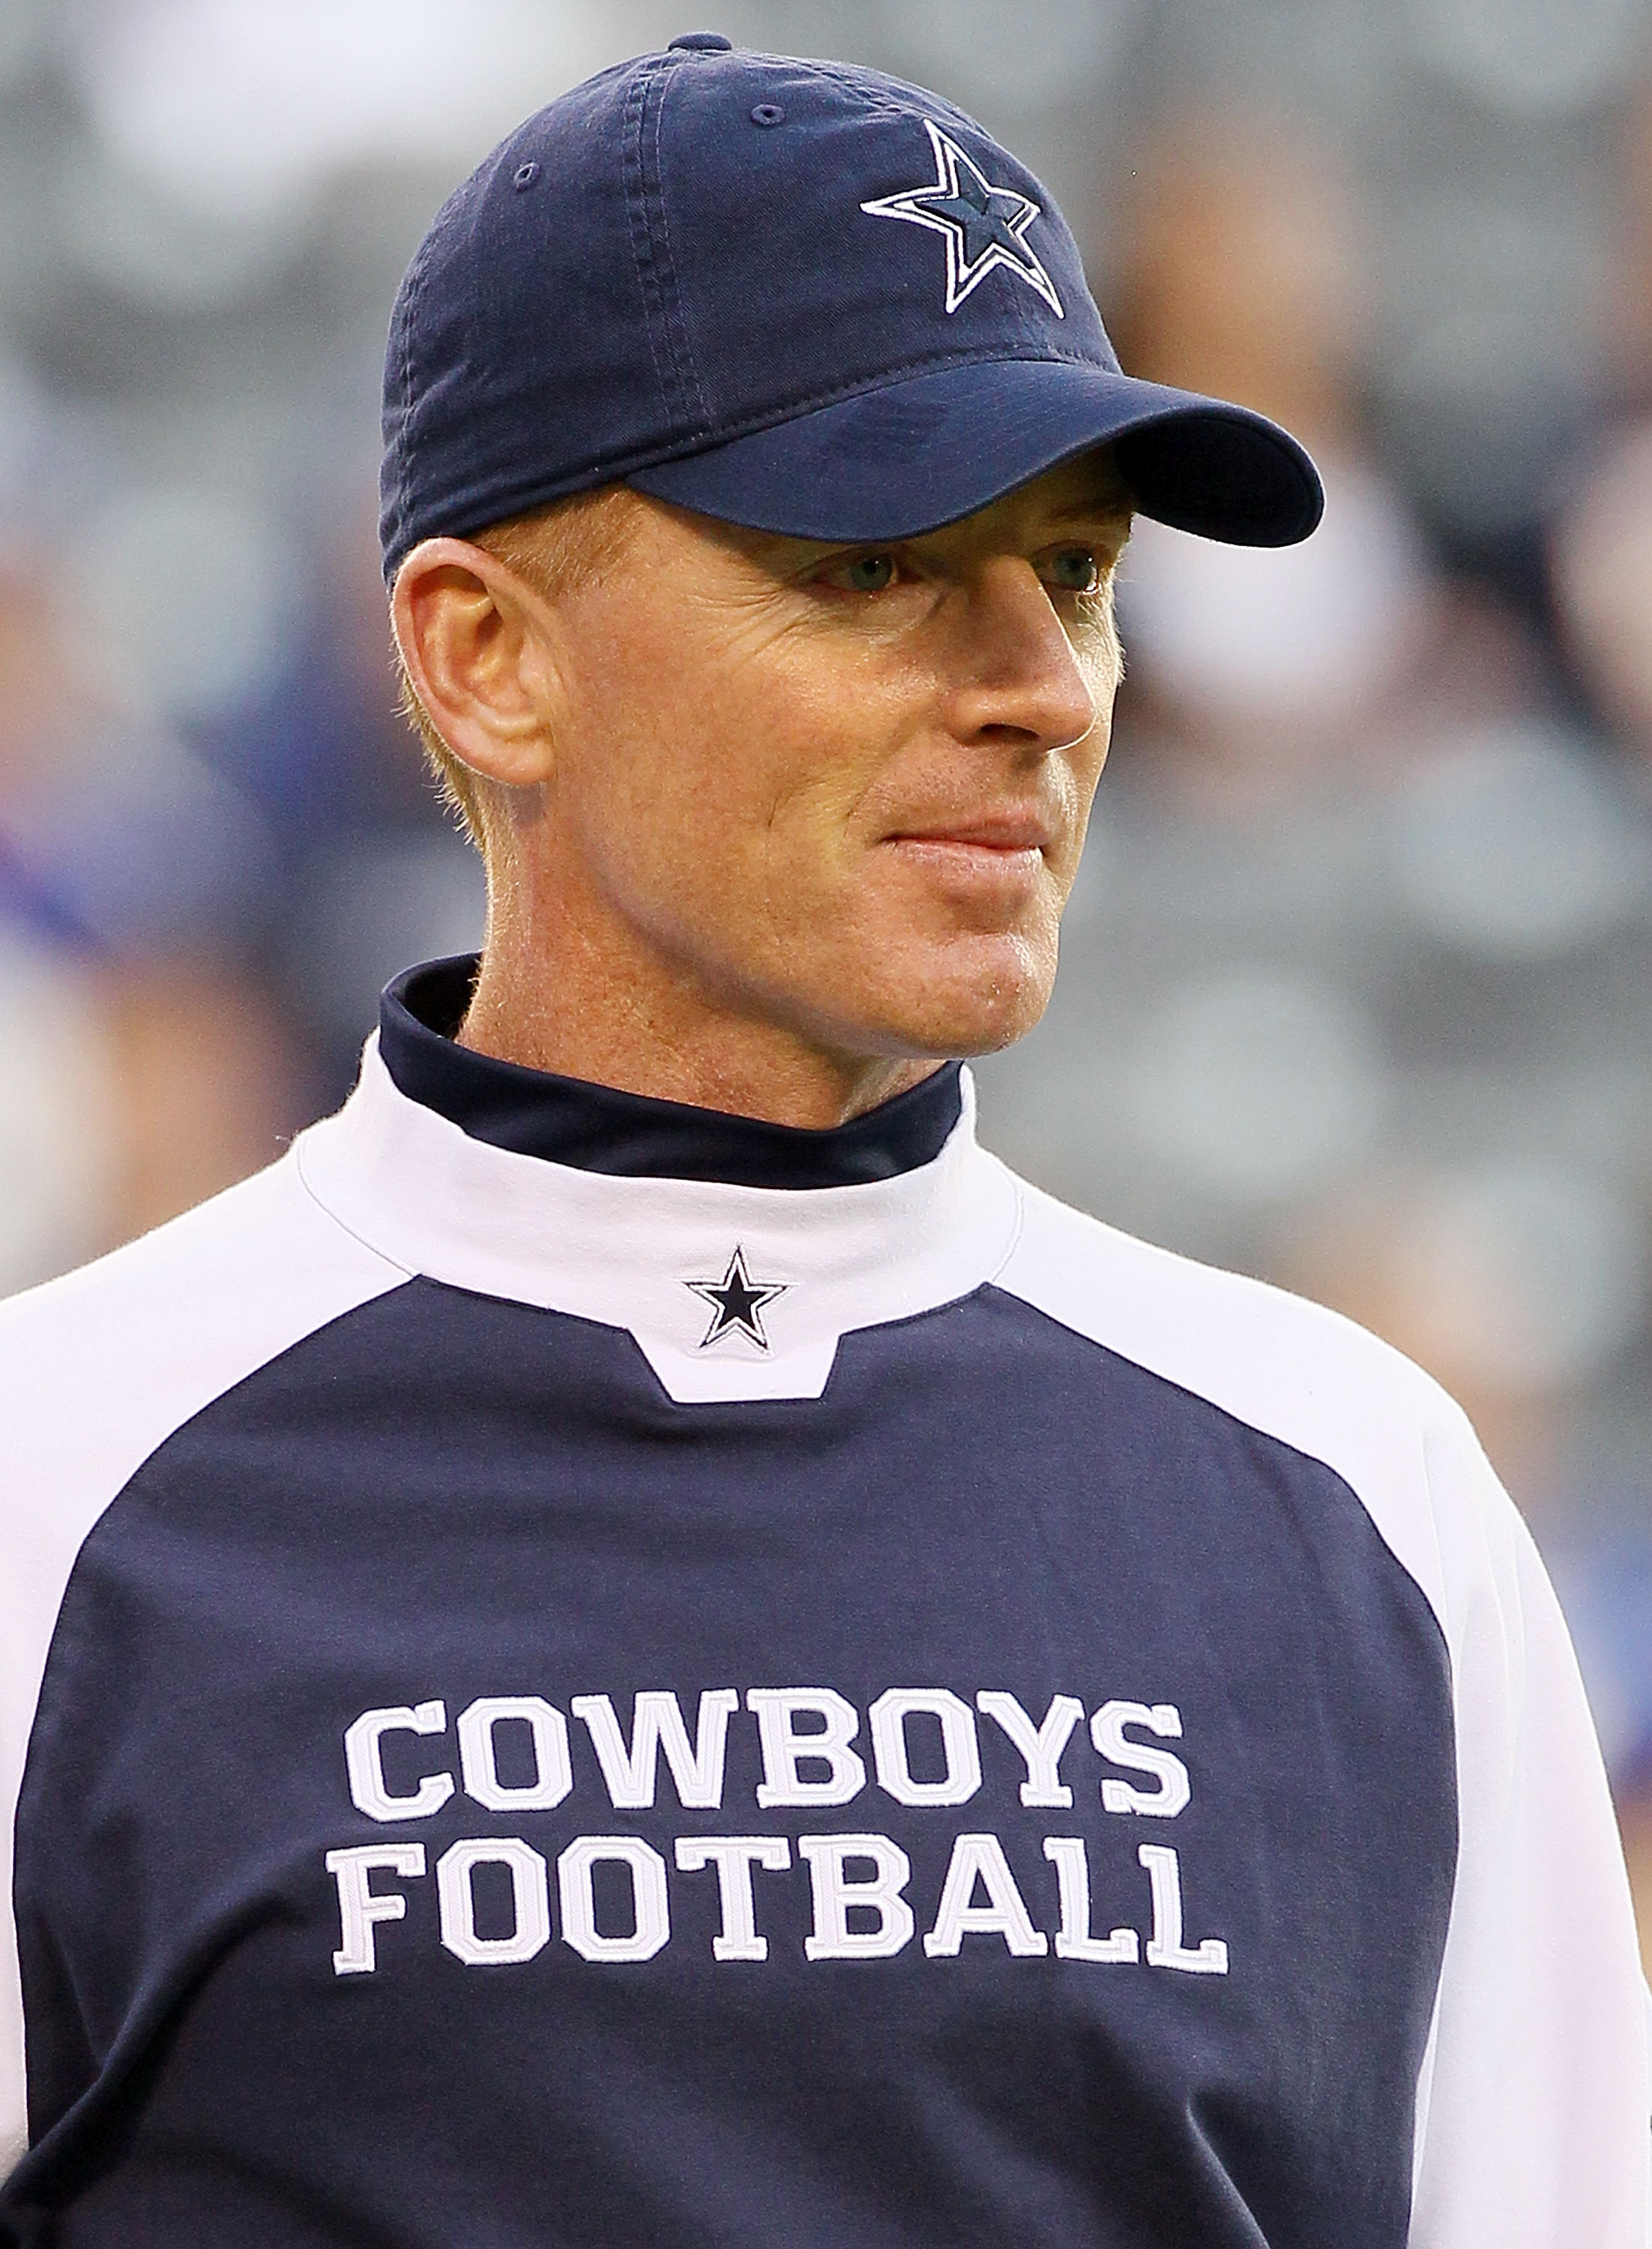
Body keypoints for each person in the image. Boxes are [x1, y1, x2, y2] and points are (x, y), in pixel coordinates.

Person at [0, 34, 1644, 2249]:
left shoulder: (1365, 1498)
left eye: (1070, 573)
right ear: (486, 658)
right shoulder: (54, 1487)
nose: (1039, 684)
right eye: (876, 568)